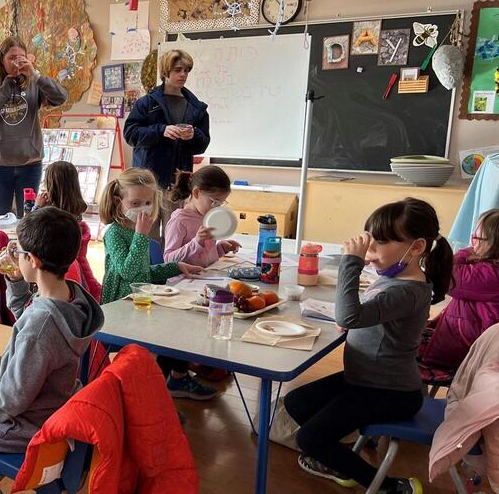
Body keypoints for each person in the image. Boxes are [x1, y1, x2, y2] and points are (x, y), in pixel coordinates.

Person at [284, 198, 454, 494]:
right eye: (369, 243)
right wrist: (352, 318)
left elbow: (350, 313)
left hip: (391, 391)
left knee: (310, 439)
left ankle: (389, 486)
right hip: (365, 380)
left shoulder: (408, 291)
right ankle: (339, 461)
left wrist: (350, 263)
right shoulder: (396, 281)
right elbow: (361, 315)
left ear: (416, 247)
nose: (370, 253)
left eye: (379, 244)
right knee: (297, 401)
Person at [0, 207, 103, 494]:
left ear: (32, 260)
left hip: (29, 424)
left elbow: (13, 398)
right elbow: (28, 315)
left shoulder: (41, 327)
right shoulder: (72, 297)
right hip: (58, 408)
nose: (15, 255)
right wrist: (15, 281)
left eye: (19, 251)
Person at [98, 168, 214, 401]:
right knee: (166, 335)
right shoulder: (114, 233)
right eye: (135, 203)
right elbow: (129, 273)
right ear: (118, 201)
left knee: (182, 322)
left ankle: (165, 388)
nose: (143, 208)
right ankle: (149, 400)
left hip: (139, 304)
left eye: (148, 202)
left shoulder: (137, 232)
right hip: (119, 310)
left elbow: (143, 273)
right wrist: (142, 235)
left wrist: (176, 266)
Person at [123, 49, 211, 242]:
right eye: (178, 70)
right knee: (146, 239)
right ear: (165, 72)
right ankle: (145, 273)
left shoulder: (197, 108)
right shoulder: (146, 103)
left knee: (175, 238)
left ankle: (172, 273)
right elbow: (130, 134)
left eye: (187, 70)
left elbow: (203, 143)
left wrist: (193, 134)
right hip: (148, 183)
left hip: (178, 184)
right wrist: (160, 130)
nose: (183, 75)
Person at [0, 36, 68, 217]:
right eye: (12, 57)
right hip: (0, 162)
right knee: (0, 216)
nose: (17, 62)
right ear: (1, 60)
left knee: (28, 216)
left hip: (30, 162)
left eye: (21, 56)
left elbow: (60, 98)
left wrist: (36, 75)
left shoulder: (34, 82)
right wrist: (4, 91)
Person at [418, 208, 499, 378]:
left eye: (477, 238)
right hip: (468, 341)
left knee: (399, 353)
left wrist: (468, 252)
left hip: (466, 350)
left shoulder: (491, 274)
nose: (472, 242)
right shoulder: (488, 267)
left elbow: (446, 275)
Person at [37, 161, 101, 301]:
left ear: (51, 185)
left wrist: (37, 208)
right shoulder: (75, 209)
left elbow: (31, 231)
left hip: (58, 270)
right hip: (79, 266)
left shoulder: (53, 215)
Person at [163, 166, 242, 268]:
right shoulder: (179, 221)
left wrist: (220, 248)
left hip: (205, 276)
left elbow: (202, 257)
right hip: (184, 281)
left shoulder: (207, 216)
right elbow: (168, 260)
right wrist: (196, 241)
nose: (216, 208)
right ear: (196, 193)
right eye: (214, 202)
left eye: (220, 203)